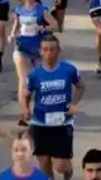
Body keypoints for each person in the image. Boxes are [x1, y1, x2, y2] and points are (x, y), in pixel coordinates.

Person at [21, 35, 84, 179]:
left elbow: (81, 86)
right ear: (41, 52)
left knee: (61, 167)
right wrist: (25, 108)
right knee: (45, 169)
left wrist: (74, 103)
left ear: (58, 50)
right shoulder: (35, 74)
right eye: (45, 50)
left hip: (62, 123)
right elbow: (27, 93)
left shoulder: (68, 69)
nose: (49, 53)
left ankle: (68, 172)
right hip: (40, 123)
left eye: (52, 49)